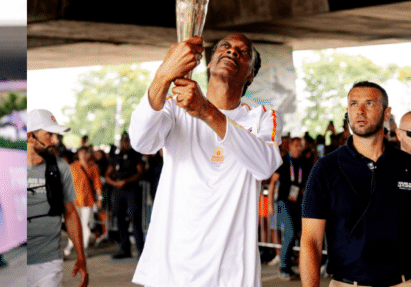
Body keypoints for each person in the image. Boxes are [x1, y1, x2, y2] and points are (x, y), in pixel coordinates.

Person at [128, 34, 282, 287]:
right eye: (225, 46)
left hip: (231, 273)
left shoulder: (261, 118)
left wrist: (206, 112)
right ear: (209, 63)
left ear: (251, 75)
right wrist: (163, 76)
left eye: (243, 52)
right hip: (170, 269)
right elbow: (141, 142)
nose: (232, 52)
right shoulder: (175, 107)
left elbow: (265, 164)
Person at [300, 82, 411, 287]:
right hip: (347, 284)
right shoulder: (326, 168)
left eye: (369, 103)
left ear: (387, 114)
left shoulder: (406, 165)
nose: (359, 111)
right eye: (353, 104)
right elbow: (310, 241)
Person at [27, 109, 89, 287]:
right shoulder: (10, 168)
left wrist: (81, 257)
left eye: (56, 135)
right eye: (49, 135)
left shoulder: (60, 167)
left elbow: (70, 213)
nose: (55, 141)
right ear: (30, 136)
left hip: (49, 262)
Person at [268, 136, 308, 279]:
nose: (298, 148)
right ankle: (284, 267)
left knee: (296, 234)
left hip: (297, 203)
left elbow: (303, 185)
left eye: (300, 145)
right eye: (295, 145)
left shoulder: (303, 162)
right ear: (290, 146)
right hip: (283, 202)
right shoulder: (284, 161)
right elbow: (272, 182)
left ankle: (289, 266)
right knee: (289, 233)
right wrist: (270, 204)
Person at [106, 132, 145, 259]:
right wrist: (114, 183)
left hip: (131, 189)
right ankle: (124, 250)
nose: (125, 143)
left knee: (135, 218)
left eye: (127, 141)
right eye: (123, 141)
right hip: (118, 190)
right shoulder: (116, 156)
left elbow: (140, 172)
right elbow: (108, 174)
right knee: (120, 219)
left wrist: (126, 181)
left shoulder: (135, 155)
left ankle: (141, 250)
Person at [64, 146, 102, 256]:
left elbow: (97, 184)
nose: (83, 155)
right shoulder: (72, 167)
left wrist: (99, 199)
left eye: (86, 153)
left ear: (89, 154)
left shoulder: (93, 168)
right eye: (81, 153)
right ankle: (71, 245)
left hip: (87, 200)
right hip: (73, 200)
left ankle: (83, 248)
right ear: (78, 154)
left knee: (85, 225)